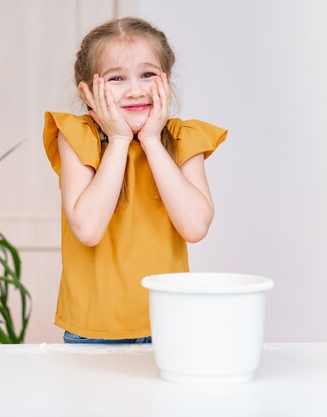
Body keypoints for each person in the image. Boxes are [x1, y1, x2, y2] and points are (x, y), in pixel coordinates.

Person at [43, 17, 227, 344]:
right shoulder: (77, 135)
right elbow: (88, 228)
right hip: (93, 329)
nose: (135, 90)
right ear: (87, 91)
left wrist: (153, 140)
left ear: (166, 80)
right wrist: (118, 139)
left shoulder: (184, 137)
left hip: (168, 324)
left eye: (147, 74)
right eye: (116, 78)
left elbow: (195, 226)